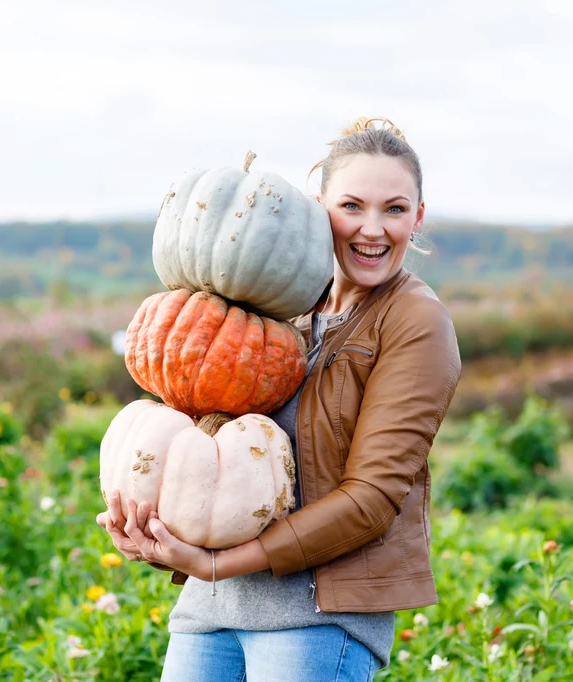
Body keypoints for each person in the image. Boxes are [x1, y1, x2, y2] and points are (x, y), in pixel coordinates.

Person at [97, 117, 462, 681]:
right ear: (321, 210)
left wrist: (218, 563)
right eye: (351, 207)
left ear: (417, 217)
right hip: (210, 608)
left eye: (393, 209)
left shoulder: (415, 320)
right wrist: (157, 531)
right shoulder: (276, 310)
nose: (372, 229)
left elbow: (373, 497)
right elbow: (202, 453)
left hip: (317, 619)